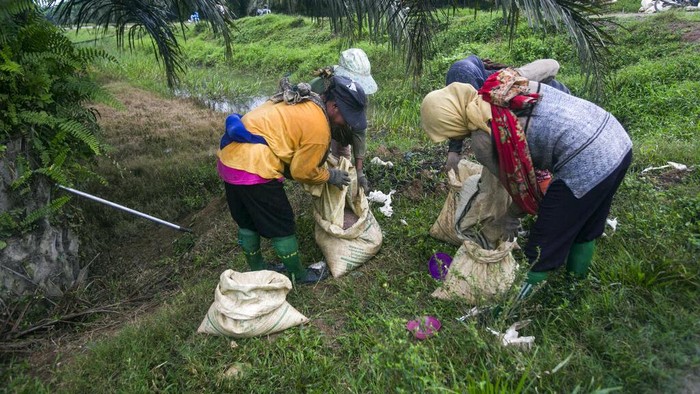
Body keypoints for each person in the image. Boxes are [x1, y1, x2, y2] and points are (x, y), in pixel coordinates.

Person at [420, 68, 632, 303]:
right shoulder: (501, 84)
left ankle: (509, 312)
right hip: (616, 139)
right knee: (587, 227)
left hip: (586, 161)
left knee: (541, 245)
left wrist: (510, 217)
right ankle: (574, 290)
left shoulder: (482, 138)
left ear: (450, 120)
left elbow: (520, 187)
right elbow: (551, 64)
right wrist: (518, 71)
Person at [217, 75, 368, 284]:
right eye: (348, 117)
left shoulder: (305, 101)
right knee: (283, 224)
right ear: (333, 107)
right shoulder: (319, 129)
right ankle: (299, 275)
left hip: (229, 160)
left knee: (246, 220)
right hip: (256, 167)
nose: (348, 123)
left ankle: (256, 269)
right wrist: (330, 175)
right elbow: (302, 171)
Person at [444, 55, 571, 175]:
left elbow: (504, 171)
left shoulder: (499, 96)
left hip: (558, 103)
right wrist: (454, 150)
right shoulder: (470, 96)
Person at [309, 48, 378, 192]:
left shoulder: (358, 95)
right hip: (316, 131)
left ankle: (345, 187)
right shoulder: (319, 86)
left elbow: (359, 131)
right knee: (319, 163)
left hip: (340, 128)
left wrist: (359, 172)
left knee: (343, 161)